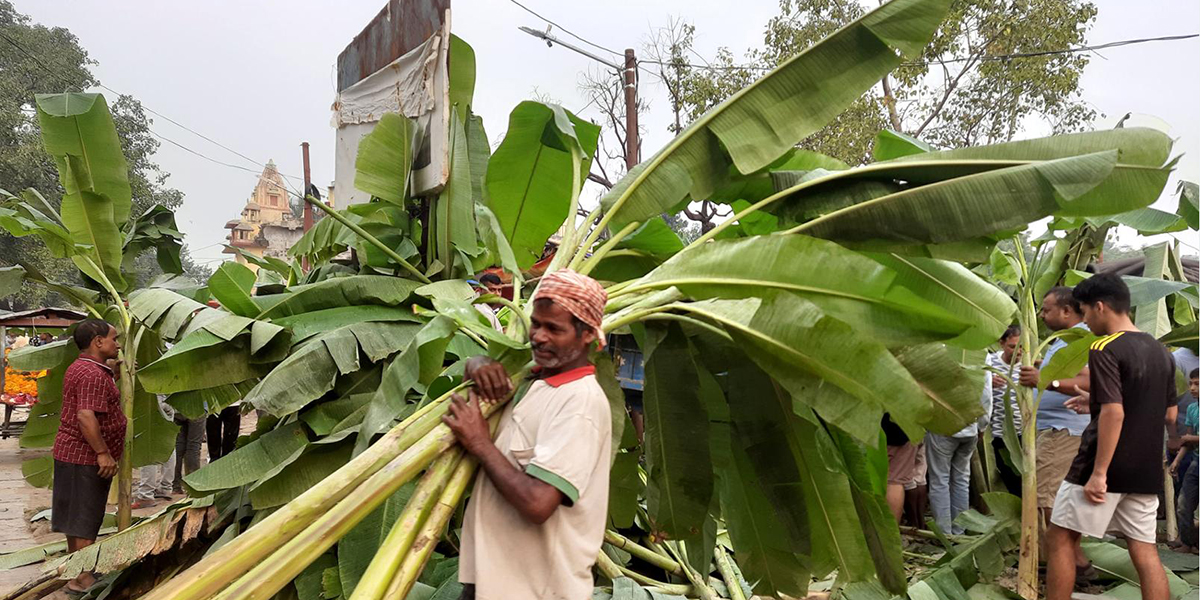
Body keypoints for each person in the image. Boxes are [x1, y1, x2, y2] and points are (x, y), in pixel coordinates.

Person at [445, 269, 612, 600]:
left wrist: (479, 442)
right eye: (537, 323)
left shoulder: (580, 403)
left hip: (534, 592)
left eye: (554, 329)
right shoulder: (533, 383)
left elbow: (538, 504)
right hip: (493, 584)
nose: (539, 336)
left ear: (586, 336)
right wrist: (477, 363)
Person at [1045, 273, 1177, 600]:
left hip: (1103, 465)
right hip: (1145, 469)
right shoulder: (1160, 350)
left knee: (1061, 538)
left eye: (1086, 312)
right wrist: (1094, 401)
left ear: (1101, 307)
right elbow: (1169, 414)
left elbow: (1115, 412)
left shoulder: (1105, 347)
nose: (1086, 321)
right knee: (1145, 552)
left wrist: (1100, 473)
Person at [1017, 287, 1093, 576]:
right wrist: (1042, 367)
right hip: (1056, 430)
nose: (1042, 314)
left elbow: (1088, 381)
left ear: (1066, 311)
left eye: (1047, 309)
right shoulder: (1062, 341)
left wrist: (1044, 379)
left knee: (1050, 500)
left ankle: (1073, 563)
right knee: (1055, 499)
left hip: (1062, 431)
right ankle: (1063, 561)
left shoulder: (1081, 338)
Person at [50, 319, 124, 594]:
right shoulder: (92, 374)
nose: (117, 344)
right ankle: (82, 577)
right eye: (114, 338)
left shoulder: (86, 368)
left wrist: (114, 373)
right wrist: (103, 453)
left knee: (78, 518)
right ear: (98, 342)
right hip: (83, 456)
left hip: (73, 454)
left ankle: (77, 571)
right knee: (84, 517)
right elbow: (85, 415)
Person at [925, 369, 991, 534]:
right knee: (961, 479)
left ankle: (945, 532)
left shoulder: (941, 351)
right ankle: (960, 529)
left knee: (940, 479)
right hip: (970, 428)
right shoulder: (980, 355)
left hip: (942, 426)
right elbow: (986, 395)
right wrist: (982, 425)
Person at [986, 325, 1023, 495]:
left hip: (1025, 433)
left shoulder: (1030, 364)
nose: (1018, 351)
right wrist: (988, 382)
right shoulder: (990, 362)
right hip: (1000, 433)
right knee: (1009, 476)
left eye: (1022, 346)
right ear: (1001, 343)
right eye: (1013, 347)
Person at [1169, 369, 1199, 552]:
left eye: (1197, 384)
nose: (1192, 388)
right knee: (1183, 505)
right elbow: (1189, 438)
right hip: (1196, 462)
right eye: (1191, 383)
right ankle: (1188, 543)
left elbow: (1189, 438)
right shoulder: (1192, 409)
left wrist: (1189, 439)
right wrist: (1177, 461)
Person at [133, 395, 177, 509]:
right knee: (167, 442)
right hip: (167, 399)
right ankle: (166, 488)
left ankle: (145, 494)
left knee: (147, 443)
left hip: (151, 399)